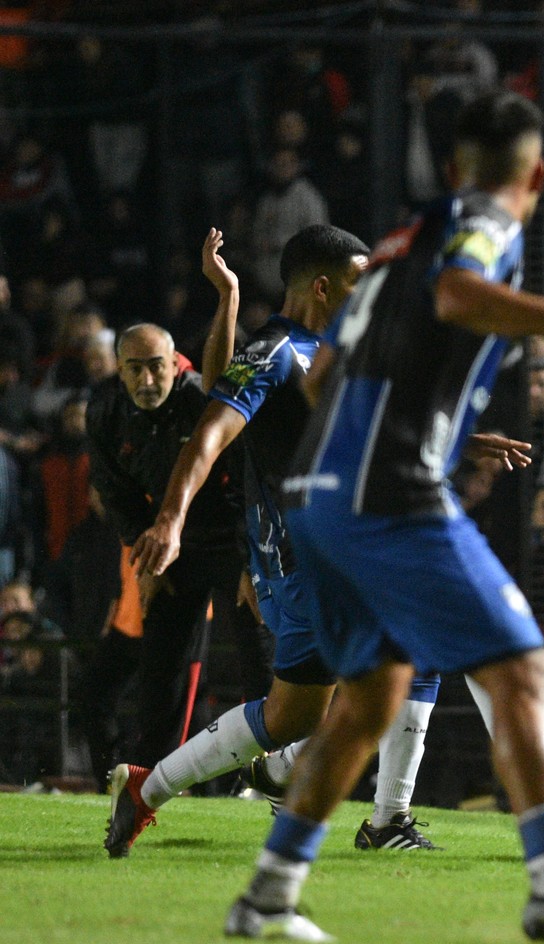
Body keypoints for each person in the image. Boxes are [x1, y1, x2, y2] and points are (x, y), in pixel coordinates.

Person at [224, 92, 544, 944]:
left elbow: (324, 380)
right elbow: (461, 291)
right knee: (529, 675)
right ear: (537, 174)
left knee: (366, 706)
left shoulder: (398, 240)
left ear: (449, 165)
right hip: (389, 493)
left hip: (319, 498)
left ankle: (265, 899)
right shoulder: (486, 223)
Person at [103, 226, 468, 857]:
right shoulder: (274, 351)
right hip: (299, 563)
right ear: (323, 286)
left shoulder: (334, 352)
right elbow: (208, 435)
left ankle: (148, 787)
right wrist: (170, 520)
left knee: (292, 717)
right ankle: (383, 820)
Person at [85, 322, 270, 770]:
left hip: (227, 536)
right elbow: (115, 493)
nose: (147, 381)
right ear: (119, 370)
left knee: (260, 661)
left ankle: (276, 772)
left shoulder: (201, 398)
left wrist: (251, 561)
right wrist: (144, 557)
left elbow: (246, 479)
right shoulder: (106, 410)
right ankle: (151, 786)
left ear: (174, 364)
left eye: (155, 368)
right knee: (159, 677)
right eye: (135, 369)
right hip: (169, 548)